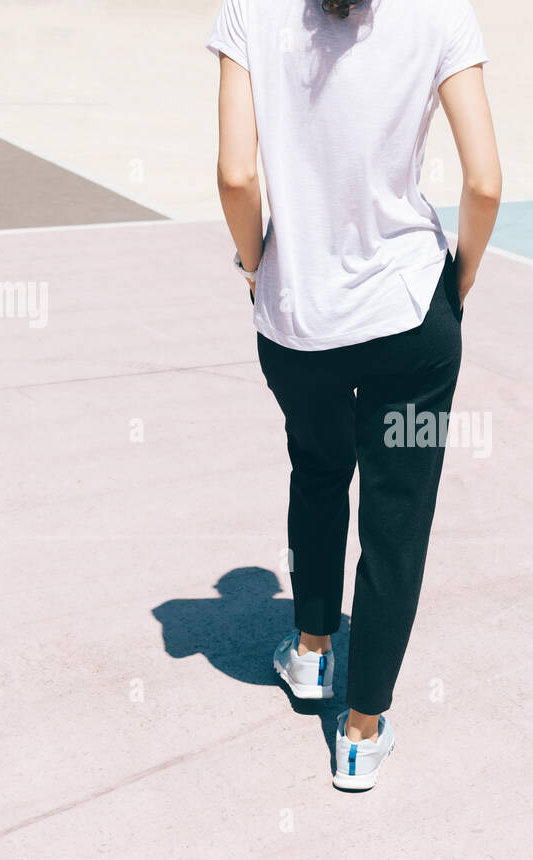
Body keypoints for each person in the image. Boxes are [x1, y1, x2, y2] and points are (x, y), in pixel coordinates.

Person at [209, 0, 501, 790]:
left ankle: (309, 652)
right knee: (395, 519)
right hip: (409, 321)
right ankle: (362, 731)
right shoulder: (442, 13)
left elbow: (236, 175)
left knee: (316, 468)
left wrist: (252, 267)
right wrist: (456, 286)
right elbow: (485, 183)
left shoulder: (249, 12)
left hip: (297, 322)